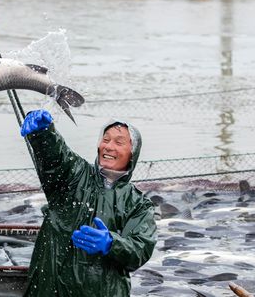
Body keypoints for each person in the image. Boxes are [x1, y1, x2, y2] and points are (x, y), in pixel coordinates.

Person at [20, 109, 157, 296]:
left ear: (132, 154)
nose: (109, 146)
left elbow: (140, 249)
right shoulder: (75, 174)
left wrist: (112, 244)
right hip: (49, 288)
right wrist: (44, 134)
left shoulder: (138, 204)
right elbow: (55, 158)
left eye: (119, 142)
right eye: (106, 139)